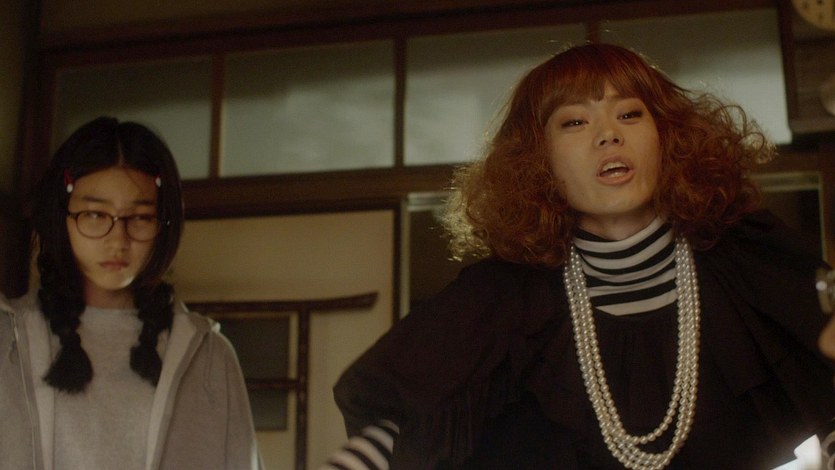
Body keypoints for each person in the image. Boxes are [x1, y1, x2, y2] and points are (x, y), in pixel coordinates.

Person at [323, 43, 835, 469]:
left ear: (667, 137)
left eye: (630, 113)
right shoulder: (500, 298)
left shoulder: (750, 257)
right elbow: (395, 422)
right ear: (539, 162)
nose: (608, 133)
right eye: (574, 122)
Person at [0, 117, 262, 469]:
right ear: (61, 216)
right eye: (95, 214)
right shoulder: (8, 339)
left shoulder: (209, 356)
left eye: (140, 217)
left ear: (164, 224)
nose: (117, 240)